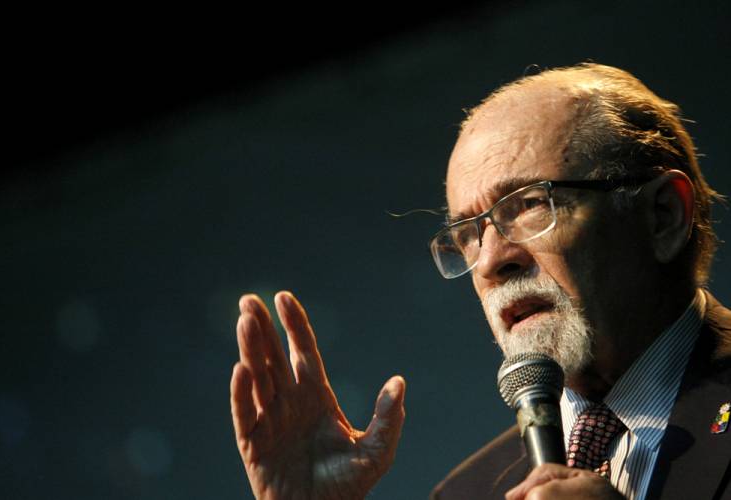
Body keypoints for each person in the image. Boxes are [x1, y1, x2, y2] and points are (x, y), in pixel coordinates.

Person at [230, 63, 731, 499]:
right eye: (467, 233)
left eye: (531, 204)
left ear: (663, 216)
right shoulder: (470, 491)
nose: (491, 261)